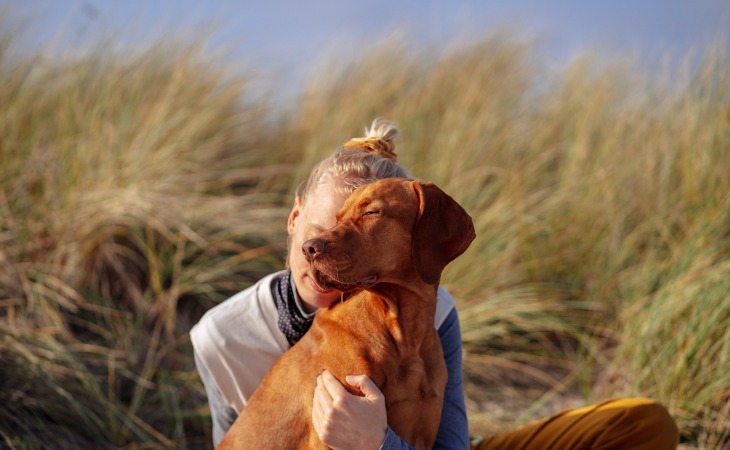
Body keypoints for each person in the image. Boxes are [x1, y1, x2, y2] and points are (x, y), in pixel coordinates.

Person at [191, 119, 679, 449]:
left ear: (416, 240)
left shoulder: (432, 314)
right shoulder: (222, 334)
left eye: (366, 221)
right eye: (319, 233)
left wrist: (377, 442)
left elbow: (452, 445)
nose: (321, 249)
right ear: (294, 219)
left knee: (642, 422)